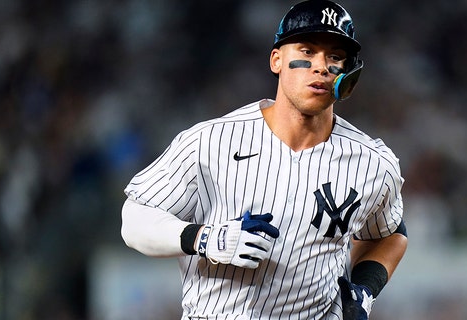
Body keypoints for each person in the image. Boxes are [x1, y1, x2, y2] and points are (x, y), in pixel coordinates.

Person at [120, 1, 408, 319]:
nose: (321, 67)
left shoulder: (372, 163)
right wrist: (203, 237)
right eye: (307, 51)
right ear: (276, 60)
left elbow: (390, 233)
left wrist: (364, 288)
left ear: (348, 73)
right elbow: (134, 220)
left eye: (335, 57)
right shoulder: (210, 142)